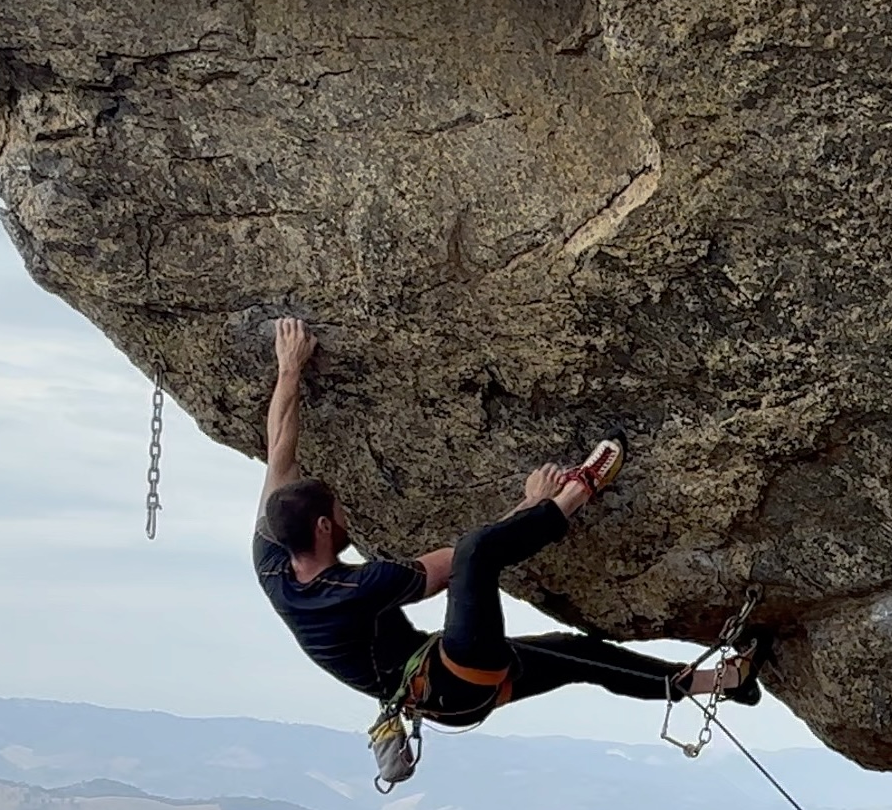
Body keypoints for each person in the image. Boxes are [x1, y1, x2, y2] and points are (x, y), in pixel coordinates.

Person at [253, 317, 758, 785]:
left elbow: (280, 450)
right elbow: (464, 562)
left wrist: (290, 368)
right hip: (453, 680)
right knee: (477, 552)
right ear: (322, 528)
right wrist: (534, 502)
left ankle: (727, 681)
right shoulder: (354, 588)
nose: (347, 519)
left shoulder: (273, 562)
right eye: (339, 515)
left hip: (445, 683)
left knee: (579, 656)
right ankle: (581, 489)